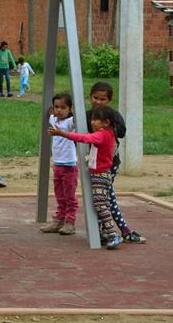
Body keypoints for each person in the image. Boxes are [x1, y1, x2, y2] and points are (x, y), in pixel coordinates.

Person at [49, 105, 122, 249]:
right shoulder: (107, 133)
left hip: (100, 175)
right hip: (101, 174)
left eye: (95, 119)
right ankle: (109, 233)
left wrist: (62, 133)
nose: (92, 122)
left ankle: (112, 234)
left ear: (106, 122)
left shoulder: (103, 135)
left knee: (100, 205)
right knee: (103, 204)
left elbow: (83, 138)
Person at [86, 82, 146, 244]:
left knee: (102, 199)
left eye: (103, 99)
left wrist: (107, 126)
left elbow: (122, 132)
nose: (98, 101)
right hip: (94, 163)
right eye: (95, 98)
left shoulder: (111, 116)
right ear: (90, 96)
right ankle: (122, 230)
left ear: (109, 100)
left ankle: (107, 232)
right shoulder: (86, 115)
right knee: (105, 198)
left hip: (108, 164)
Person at [40, 93, 79, 235]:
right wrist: (52, 110)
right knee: (59, 195)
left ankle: (70, 222)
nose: (59, 110)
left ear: (70, 109)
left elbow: (76, 119)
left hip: (69, 165)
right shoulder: (53, 119)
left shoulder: (70, 123)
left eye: (63, 107)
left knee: (70, 196)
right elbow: (49, 113)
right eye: (56, 107)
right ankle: (59, 220)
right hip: (57, 164)